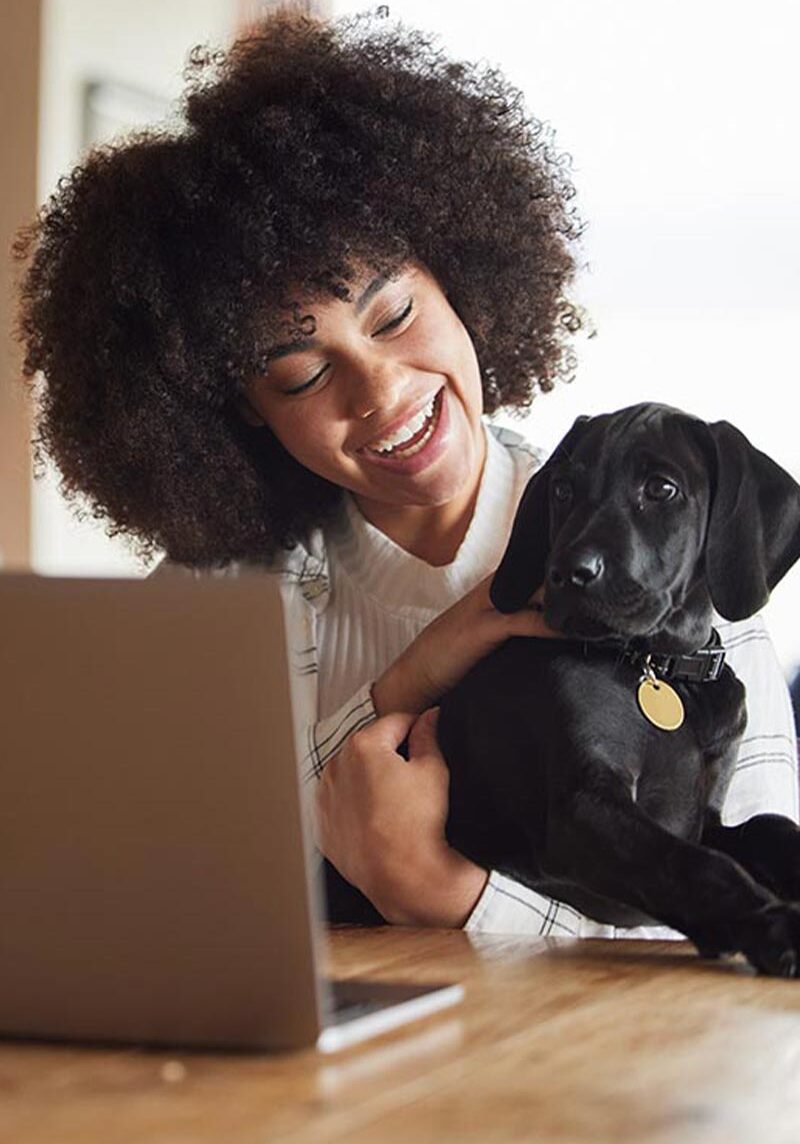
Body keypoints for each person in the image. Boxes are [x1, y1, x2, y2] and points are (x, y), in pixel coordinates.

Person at [15, 12, 798, 937]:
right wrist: (413, 675)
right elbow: (136, 880)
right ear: (238, 412)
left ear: (460, 276)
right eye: (302, 373)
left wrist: (452, 901)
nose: (382, 390)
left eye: (392, 316)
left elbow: (750, 935)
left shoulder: (681, 570)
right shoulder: (205, 605)